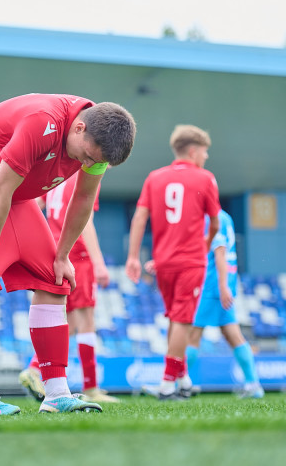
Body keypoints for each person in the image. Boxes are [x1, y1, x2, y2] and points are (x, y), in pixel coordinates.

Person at [0, 93, 135, 415]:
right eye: (86, 156)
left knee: (53, 279)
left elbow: (83, 199)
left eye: (95, 162)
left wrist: (62, 255)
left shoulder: (97, 145)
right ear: (79, 128)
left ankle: (57, 394)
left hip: (14, 192)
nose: (87, 165)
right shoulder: (42, 122)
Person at [126, 125, 220, 401]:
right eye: (204, 152)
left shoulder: (155, 178)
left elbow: (139, 218)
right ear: (193, 151)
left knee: (173, 319)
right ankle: (168, 384)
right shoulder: (205, 178)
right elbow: (214, 222)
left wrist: (133, 257)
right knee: (181, 321)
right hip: (190, 261)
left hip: (163, 263)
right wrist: (204, 245)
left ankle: (183, 378)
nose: (205, 157)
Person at [18, 173, 120, 404]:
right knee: (86, 321)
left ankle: (35, 368)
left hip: (56, 252)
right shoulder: (85, 177)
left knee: (70, 322)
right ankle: (91, 387)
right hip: (78, 255)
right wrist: (99, 262)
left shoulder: (57, 178)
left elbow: (33, 205)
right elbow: (86, 222)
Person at [183, 209, 264, 399]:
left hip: (211, 286)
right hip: (223, 284)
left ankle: (178, 382)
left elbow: (219, 252)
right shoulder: (226, 216)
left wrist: (222, 286)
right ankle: (253, 384)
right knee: (232, 334)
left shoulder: (212, 218)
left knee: (192, 334)